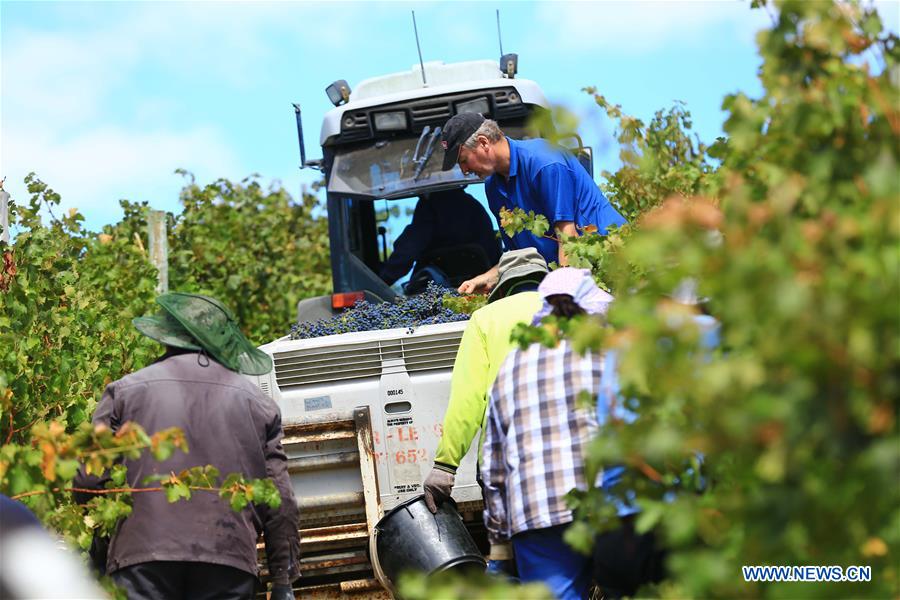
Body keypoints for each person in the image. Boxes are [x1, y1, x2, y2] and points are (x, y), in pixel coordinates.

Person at [73, 293, 300, 600]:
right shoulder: (259, 405)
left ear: (167, 337)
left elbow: (89, 481)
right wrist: (282, 579)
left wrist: (101, 552)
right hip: (228, 560)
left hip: (141, 561)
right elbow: (279, 499)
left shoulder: (123, 392)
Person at [480, 268, 614, 600]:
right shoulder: (608, 352)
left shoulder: (510, 367)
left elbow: (493, 468)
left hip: (537, 510)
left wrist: (499, 544)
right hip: (608, 504)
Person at [422, 248, 549, 572]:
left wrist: (445, 465)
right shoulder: (569, 310)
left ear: (502, 286)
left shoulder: (485, 319)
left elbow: (468, 398)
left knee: (507, 561)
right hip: (569, 458)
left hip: (504, 466)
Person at [440, 112, 627, 293]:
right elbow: (520, 259)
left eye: (463, 160)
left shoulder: (544, 163)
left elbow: (569, 240)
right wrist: (486, 278)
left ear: (483, 142)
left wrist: (563, 302)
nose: (464, 170)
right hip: (568, 274)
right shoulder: (493, 187)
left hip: (611, 265)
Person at [378, 188, 501, 287]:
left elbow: (408, 250)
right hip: (482, 285)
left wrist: (381, 281)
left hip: (438, 288)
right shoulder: (474, 206)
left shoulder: (429, 207)